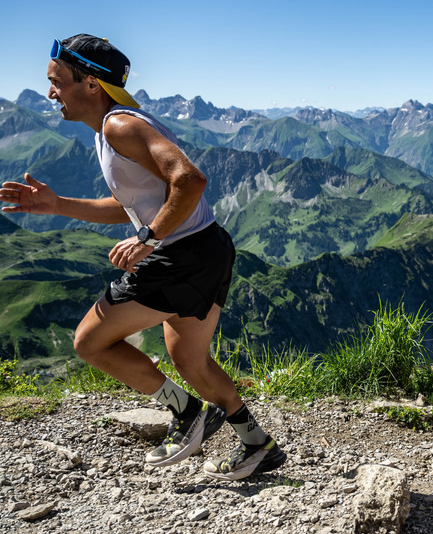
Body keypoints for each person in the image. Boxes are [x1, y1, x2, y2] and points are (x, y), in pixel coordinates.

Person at [0, 34, 286, 481]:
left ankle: (188, 411)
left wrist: (149, 238)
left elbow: (189, 180)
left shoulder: (119, 126)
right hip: (208, 247)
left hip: (181, 253)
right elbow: (135, 205)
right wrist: (57, 205)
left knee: (89, 342)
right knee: (191, 361)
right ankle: (257, 444)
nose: (50, 92)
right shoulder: (111, 129)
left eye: (56, 81)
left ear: (91, 84)